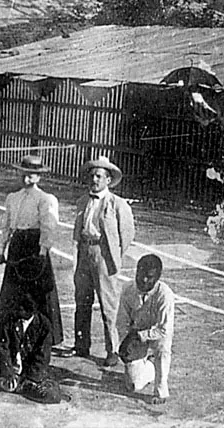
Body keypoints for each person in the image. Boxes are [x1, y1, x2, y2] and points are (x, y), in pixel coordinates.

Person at [60, 156, 135, 367]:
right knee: (82, 300)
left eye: (99, 176)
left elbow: (127, 235)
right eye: (92, 175)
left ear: (108, 180)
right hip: (84, 251)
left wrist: (112, 256)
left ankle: (112, 351)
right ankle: (81, 344)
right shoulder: (83, 201)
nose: (94, 179)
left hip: (104, 255)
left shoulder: (117, 204)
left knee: (108, 305)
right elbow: (78, 229)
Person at [0, 155, 63, 345]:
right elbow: (7, 226)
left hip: (34, 246)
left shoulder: (46, 199)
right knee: (13, 289)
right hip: (17, 245)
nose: (26, 178)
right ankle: (7, 331)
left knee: (37, 292)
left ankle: (44, 333)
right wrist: (1, 250)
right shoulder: (12, 198)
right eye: (24, 174)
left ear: (39, 177)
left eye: (31, 175)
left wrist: (42, 251)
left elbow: (48, 227)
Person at [116, 254, 174, 405]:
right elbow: (121, 323)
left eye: (149, 277)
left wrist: (141, 336)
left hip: (155, 334)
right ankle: (149, 365)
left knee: (163, 347)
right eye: (140, 275)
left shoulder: (165, 295)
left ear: (157, 278)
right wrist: (125, 344)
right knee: (134, 386)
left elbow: (164, 330)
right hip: (136, 334)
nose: (143, 280)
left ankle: (161, 388)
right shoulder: (127, 289)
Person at [0, 292, 64, 404]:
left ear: (31, 311)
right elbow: (3, 348)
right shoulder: (9, 321)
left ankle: (28, 384)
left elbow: (43, 355)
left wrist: (32, 377)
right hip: (15, 369)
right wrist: (8, 373)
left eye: (22, 310)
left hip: (31, 371)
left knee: (50, 395)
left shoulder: (44, 325)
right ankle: (21, 384)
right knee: (9, 386)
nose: (18, 313)